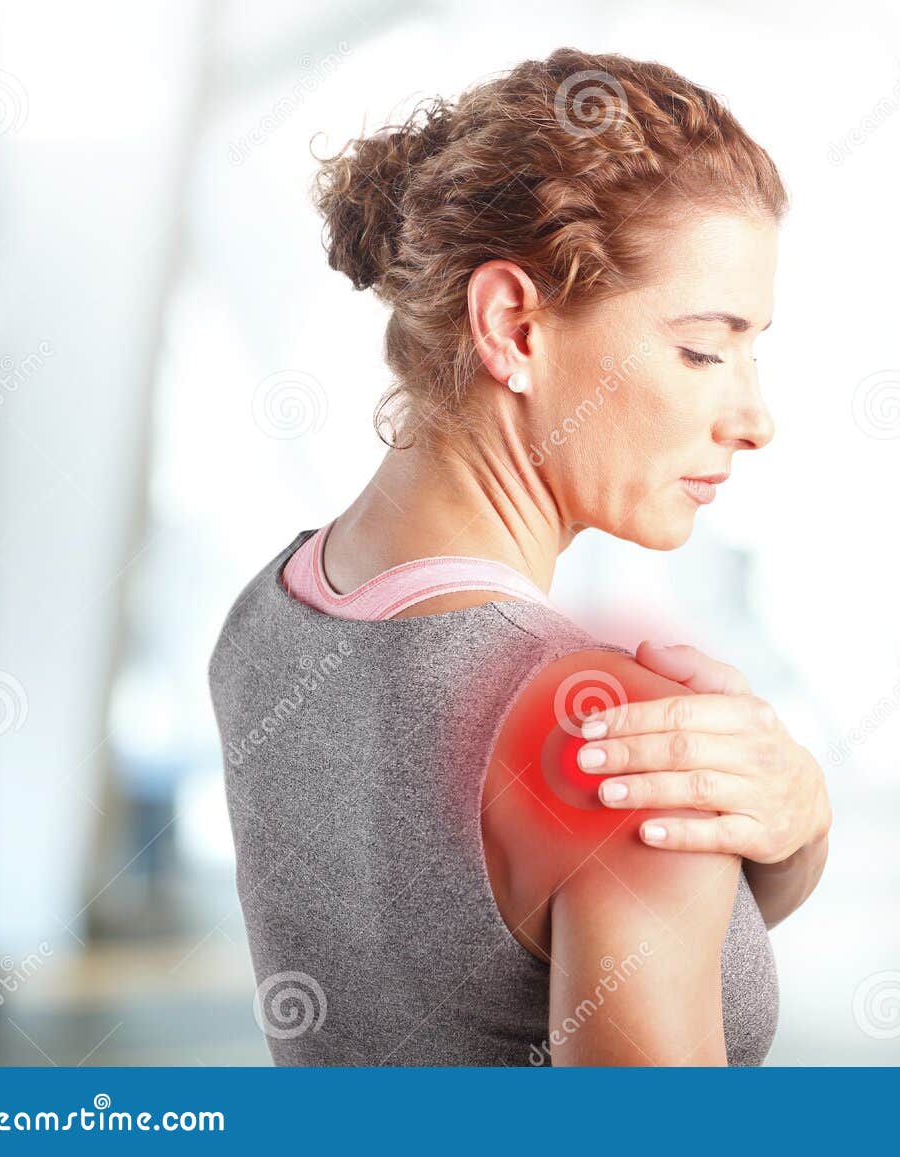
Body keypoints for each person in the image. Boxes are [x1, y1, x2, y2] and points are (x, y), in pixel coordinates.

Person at [208, 47, 831, 1066]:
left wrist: (790, 827)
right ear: (513, 326)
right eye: (703, 350)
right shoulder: (600, 733)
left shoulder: (266, 620)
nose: (754, 417)